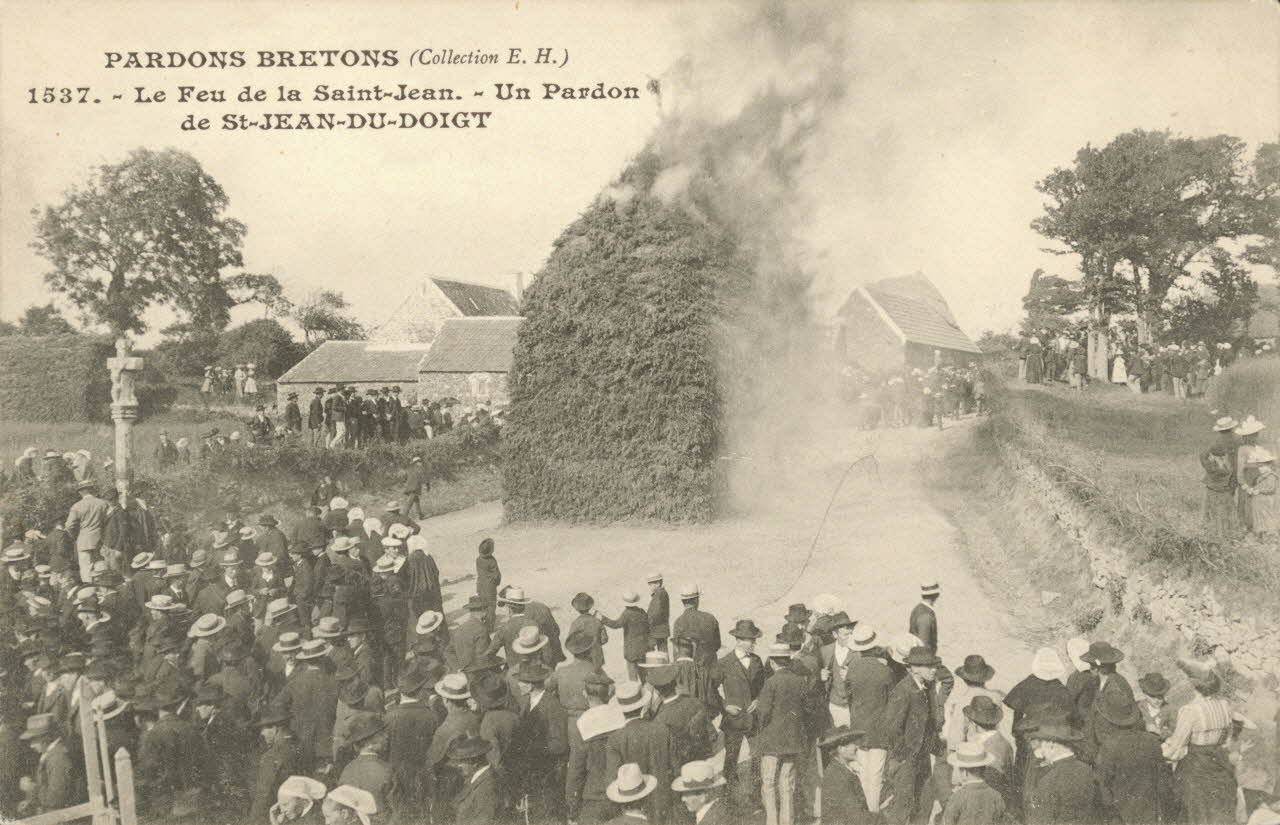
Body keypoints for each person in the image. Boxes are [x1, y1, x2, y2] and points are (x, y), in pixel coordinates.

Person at [1163, 667, 1237, 824]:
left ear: (1194, 687)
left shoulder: (1190, 710)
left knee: (1194, 808)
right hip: (1219, 761)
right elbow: (1228, 737)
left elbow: (1177, 745)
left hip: (1196, 764)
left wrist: (1162, 750)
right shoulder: (1225, 705)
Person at [1093, 690, 1171, 825]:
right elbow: (1163, 779)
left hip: (1122, 813)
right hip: (1151, 811)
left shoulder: (1109, 746)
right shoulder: (1152, 740)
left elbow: (1102, 783)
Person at [756, 642, 810, 825]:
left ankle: (772, 821)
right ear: (788, 661)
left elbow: (762, 712)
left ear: (772, 662)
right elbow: (808, 710)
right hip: (793, 740)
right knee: (787, 785)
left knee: (769, 783)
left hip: (772, 742)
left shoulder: (770, 683)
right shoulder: (800, 681)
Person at [715, 618, 765, 794]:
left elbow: (763, 687)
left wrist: (758, 700)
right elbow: (711, 690)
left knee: (757, 757)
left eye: (754, 639)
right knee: (731, 759)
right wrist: (724, 706)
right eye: (751, 640)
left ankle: (756, 793)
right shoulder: (724, 663)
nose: (754, 643)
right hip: (733, 720)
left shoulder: (758, 661)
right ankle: (728, 796)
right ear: (738, 640)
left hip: (754, 719)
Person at [1025, 720, 1104, 824]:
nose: (1042, 749)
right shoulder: (1087, 770)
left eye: (1042, 742)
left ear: (1052, 743)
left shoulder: (1049, 779)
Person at [1202, 417, 1241, 539]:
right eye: (1227, 431)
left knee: (1224, 504)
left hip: (1228, 476)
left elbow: (1203, 457)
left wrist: (1212, 469)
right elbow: (1203, 457)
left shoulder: (1235, 441)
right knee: (1223, 504)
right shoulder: (1220, 443)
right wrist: (1214, 469)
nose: (1229, 433)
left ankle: (1223, 530)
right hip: (1223, 478)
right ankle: (1223, 531)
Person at [65, 479, 111, 583]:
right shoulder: (103, 503)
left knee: (86, 569)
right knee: (101, 566)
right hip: (101, 539)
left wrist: (75, 536)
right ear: (92, 489)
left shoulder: (77, 506)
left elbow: (69, 525)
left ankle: (89, 589)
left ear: (81, 492)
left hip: (83, 540)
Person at [449, 735, 501, 825]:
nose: (458, 765)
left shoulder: (487, 787)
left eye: (462, 761)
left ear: (474, 762)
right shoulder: (474, 778)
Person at [600, 591, 651, 680]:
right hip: (643, 648)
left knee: (632, 678)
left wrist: (602, 619)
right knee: (644, 675)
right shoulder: (642, 612)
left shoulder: (627, 614)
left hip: (631, 650)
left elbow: (616, 625)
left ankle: (635, 693)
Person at [671, 760, 731, 825]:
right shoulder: (713, 813)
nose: (683, 799)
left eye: (687, 794)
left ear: (703, 796)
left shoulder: (715, 820)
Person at [1242, 449, 1279, 539]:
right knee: (1259, 517)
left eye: (1262, 466)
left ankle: (1270, 535)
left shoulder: (1271, 476)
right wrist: (1251, 490)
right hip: (1259, 503)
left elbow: (1271, 488)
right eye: (1259, 467)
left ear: (1269, 465)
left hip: (1266, 502)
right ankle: (1260, 534)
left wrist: (1259, 491)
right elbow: (1258, 486)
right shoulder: (1261, 477)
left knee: (1267, 517)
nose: (1260, 469)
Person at [475, 538, 502, 630]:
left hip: (480, 586)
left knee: (483, 605)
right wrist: (497, 582)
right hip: (490, 587)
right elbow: (497, 575)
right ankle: (490, 627)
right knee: (491, 607)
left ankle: (482, 624)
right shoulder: (492, 561)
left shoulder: (478, 559)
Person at [908, 582, 939, 654]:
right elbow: (923, 646)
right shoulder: (926, 615)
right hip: (923, 659)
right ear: (936, 595)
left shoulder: (918, 608)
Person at [646, 572, 670, 653]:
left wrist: (647, 623)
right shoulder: (661, 593)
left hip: (656, 631)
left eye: (650, 584)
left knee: (649, 654)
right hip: (661, 630)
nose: (649, 586)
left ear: (658, 583)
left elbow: (656, 613)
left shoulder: (659, 593)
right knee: (663, 654)